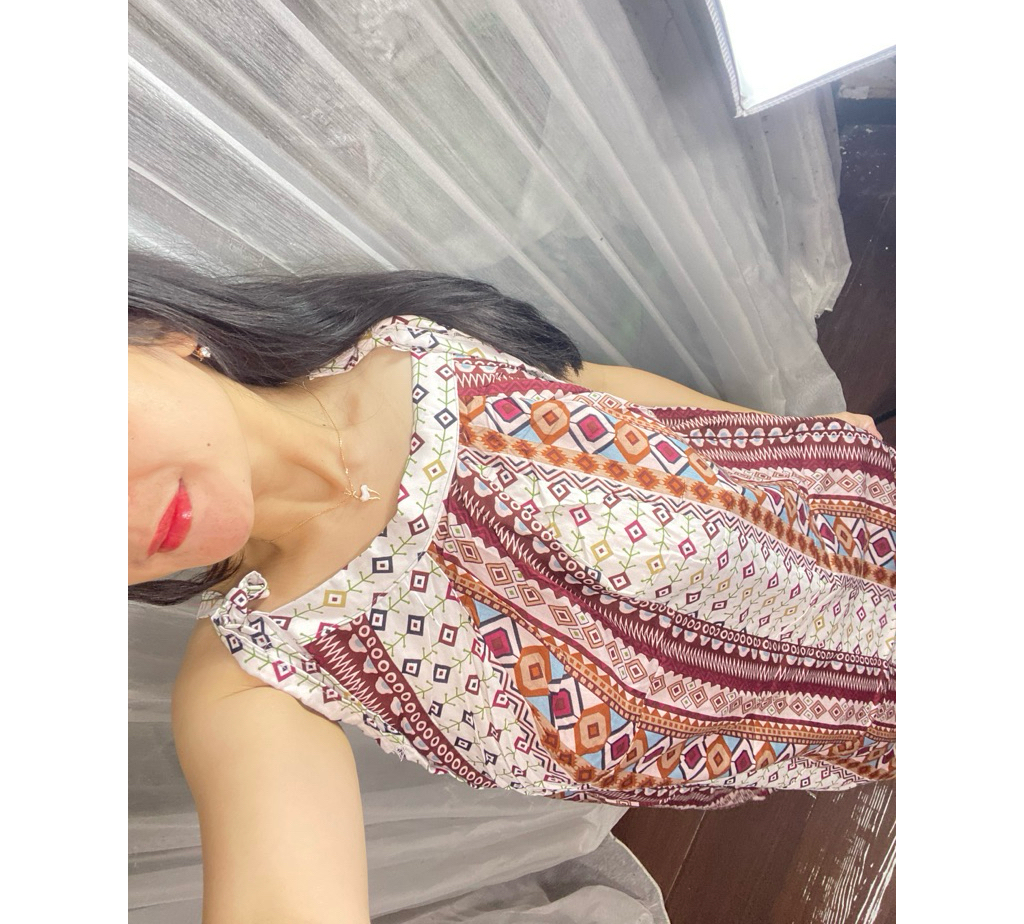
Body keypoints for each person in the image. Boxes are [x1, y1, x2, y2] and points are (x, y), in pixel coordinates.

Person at [128, 250, 895, 924]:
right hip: (854, 719)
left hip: (861, 521)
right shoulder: (258, 677)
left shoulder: (410, 339)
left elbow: (590, 389)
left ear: (157, 330)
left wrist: (799, 437)